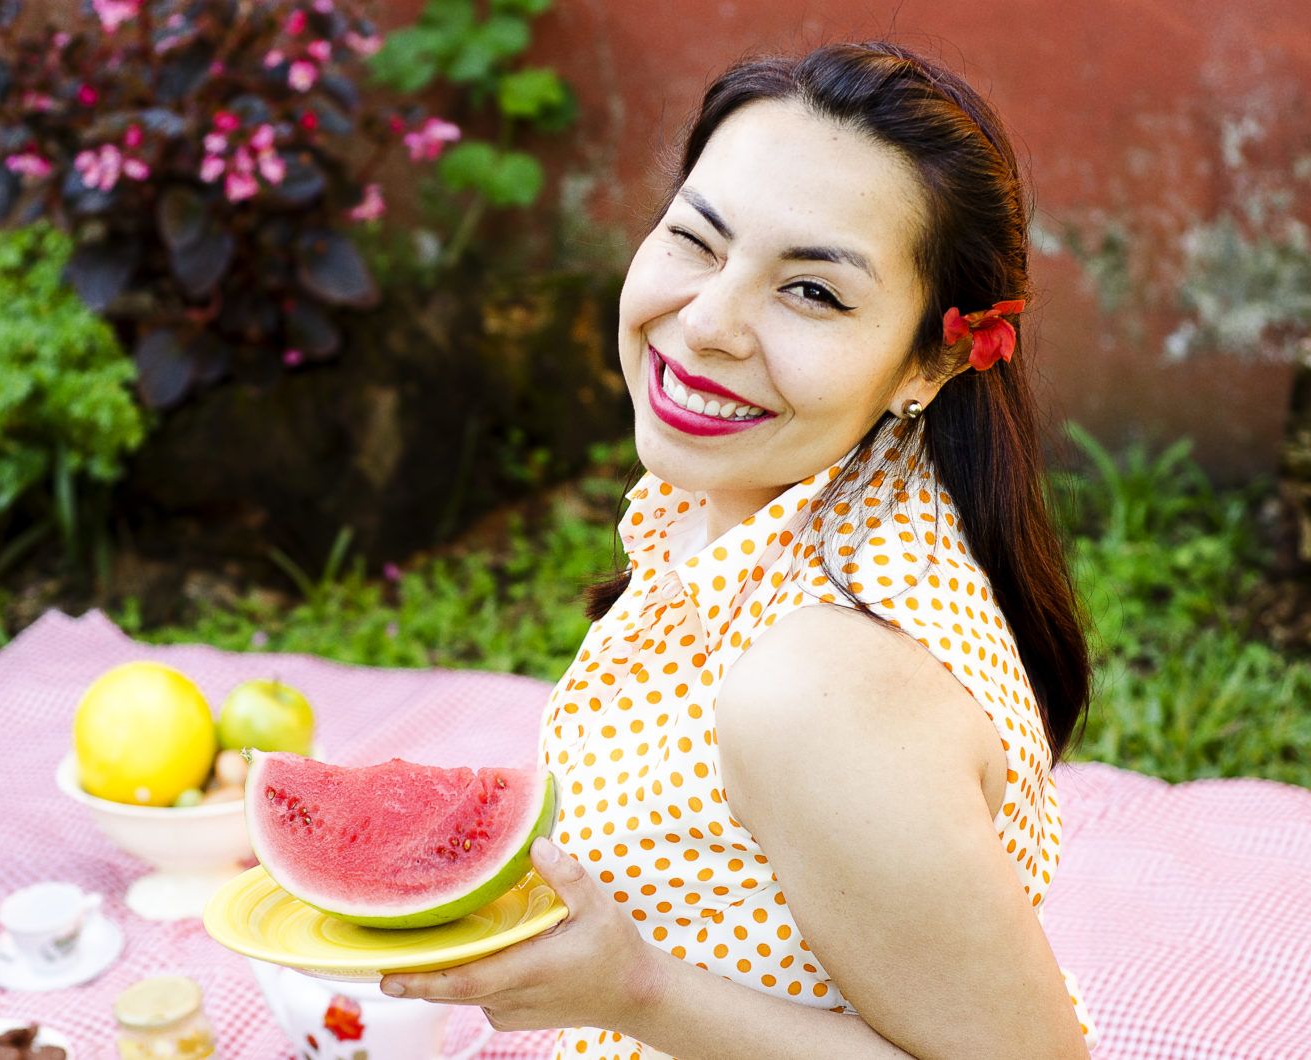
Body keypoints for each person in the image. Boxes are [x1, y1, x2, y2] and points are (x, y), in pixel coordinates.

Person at [379, 39, 1102, 1059]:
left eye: (811, 291)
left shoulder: (821, 684)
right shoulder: (769, 500)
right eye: (697, 241)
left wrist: (634, 990)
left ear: (932, 359)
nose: (708, 321)